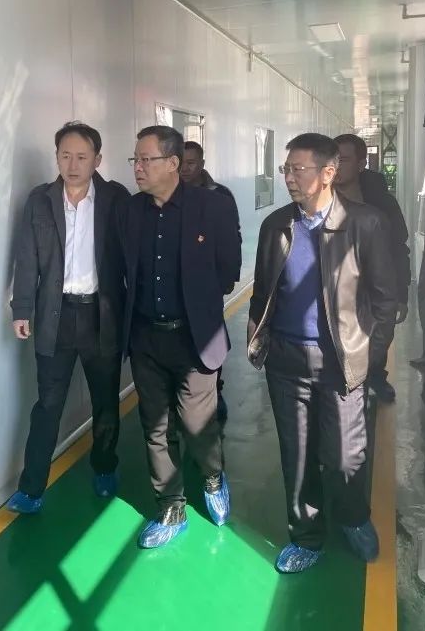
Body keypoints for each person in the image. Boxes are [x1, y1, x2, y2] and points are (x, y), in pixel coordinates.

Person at [248, 133, 397, 573]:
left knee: (345, 456)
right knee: (297, 455)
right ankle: (306, 535)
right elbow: (264, 290)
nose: (289, 178)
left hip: (340, 360)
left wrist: (369, 356)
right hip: (286, 360)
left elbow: (385, 300)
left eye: (299, 169)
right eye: (286, 169)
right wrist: (260, 335)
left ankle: (352, 516)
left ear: (328, 173)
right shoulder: (276, 226)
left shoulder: (364, 224)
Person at [120, 125, 241, 548]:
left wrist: (200, 303)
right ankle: (171, 508)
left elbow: (228, 268)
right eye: (135, 160)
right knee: (155, 426)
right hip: (146, 337)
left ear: (172, 163)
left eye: (145, 159)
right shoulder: (131, 210)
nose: (137, 167)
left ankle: (212, 476)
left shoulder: (212, 206)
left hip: (194, 337)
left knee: (196, 423)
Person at [7, 122, 129, 514]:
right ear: (56, 157)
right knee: (47, 404)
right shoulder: (40, 200)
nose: (72, 165)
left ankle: (104, 467)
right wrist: (21, 309)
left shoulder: (115, 198)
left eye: (81, 157)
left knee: (105, 402)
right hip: (54, 316)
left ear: (97, 159)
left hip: (101, 316)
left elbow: (131, 258)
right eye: (65, 156)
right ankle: (31, 488)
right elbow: (26, 258)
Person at [334, 133, 410, 402]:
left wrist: (401, 294)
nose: (336, 165)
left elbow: (399, 249)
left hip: (371, 289)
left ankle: (376, 376)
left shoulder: (382, 204)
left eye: (343, 159)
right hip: (334, 288)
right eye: (332, 159)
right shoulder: (319, 201)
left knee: (375, 338)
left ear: (361, 164)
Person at [180, 140, 242, 420]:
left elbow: (232, 240)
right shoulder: (169, 194)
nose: (185, 169)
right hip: (180, 286)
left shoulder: (220, 195)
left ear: (202, 164)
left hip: (208, 286)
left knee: (210, 341)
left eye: (191, 163)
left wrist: (226, 280)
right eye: (181, 163)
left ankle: (215, 389)